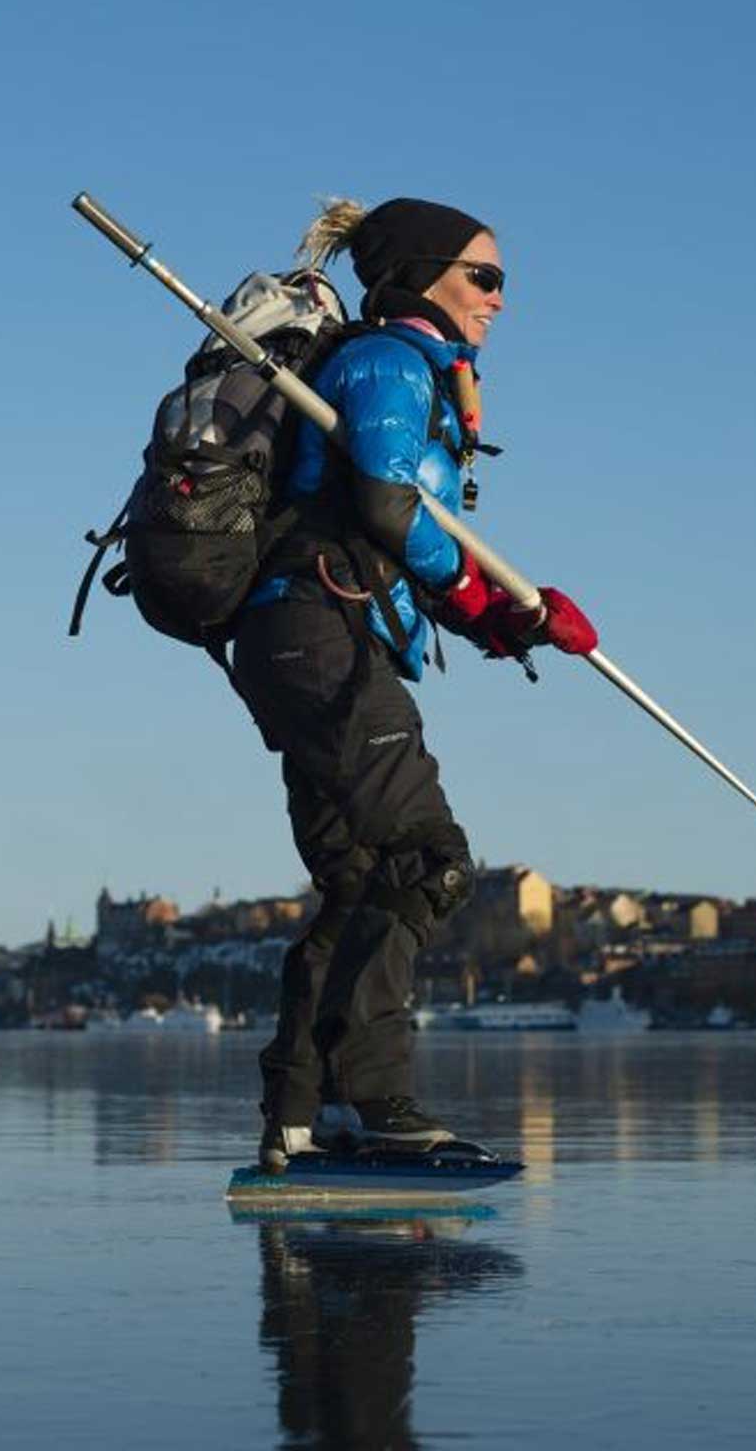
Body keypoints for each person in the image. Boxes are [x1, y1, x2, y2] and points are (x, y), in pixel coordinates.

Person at [233, 196, 598, 1172]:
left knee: (357, 879)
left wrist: (502, 619)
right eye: (484, 277)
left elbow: (384, 533)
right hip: (321, 635)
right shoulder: (389, 364)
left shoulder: (406, 373)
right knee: (425, 859)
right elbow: (389, 504)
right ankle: (375, 1104)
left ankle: (302, 1123)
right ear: (422, 275)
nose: (498, 301)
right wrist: (490, 605)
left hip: (302, 631)